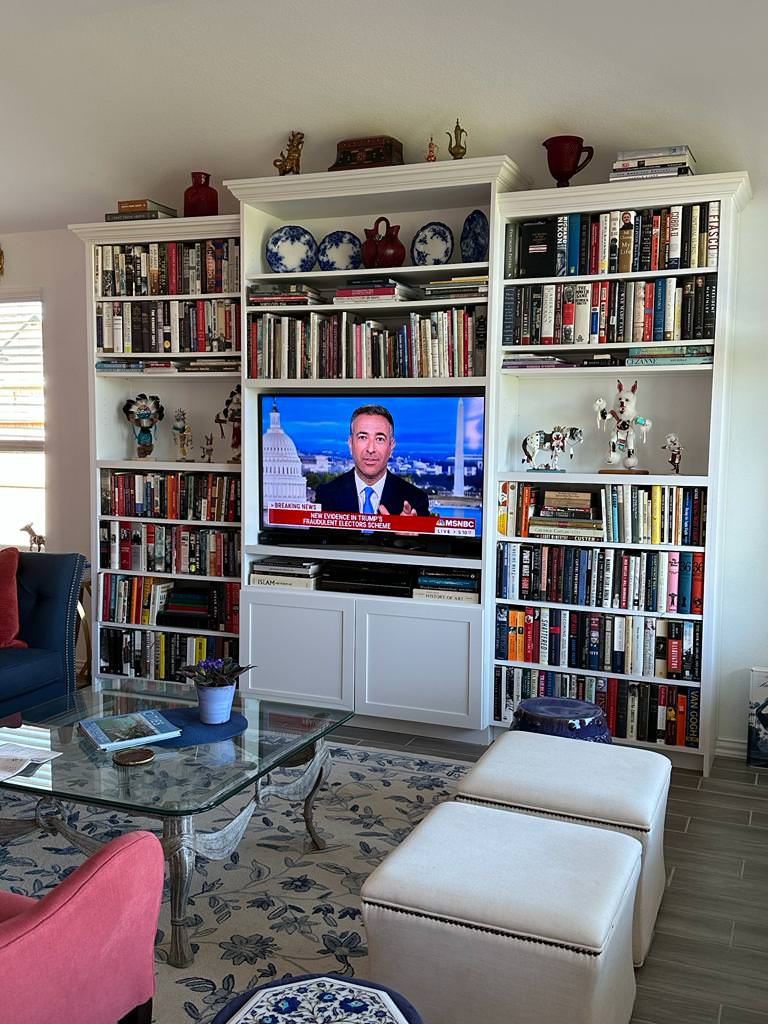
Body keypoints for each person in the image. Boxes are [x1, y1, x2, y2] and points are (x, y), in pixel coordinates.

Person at [314, 404, 430, 518]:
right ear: (350, 444)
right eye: (363, 437)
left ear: (391, 447)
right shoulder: (326, 494)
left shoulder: (415, 500)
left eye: (380, 439)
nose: (370, 449)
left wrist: (407, 537)